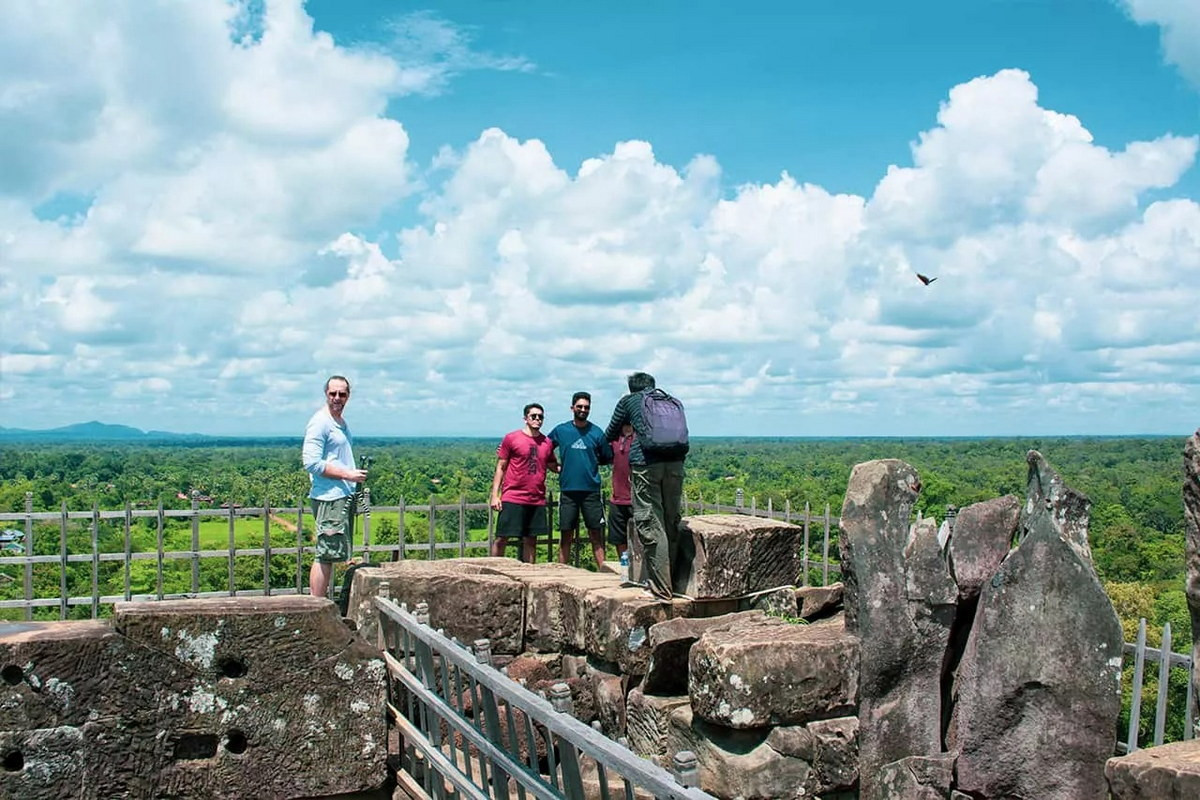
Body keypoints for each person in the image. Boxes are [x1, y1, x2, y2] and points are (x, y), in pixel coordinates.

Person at [604, 372, 688, 600]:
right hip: (676, 464)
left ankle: (661, 588)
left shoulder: (629, 401)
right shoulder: (669, 400)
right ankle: (674, 580)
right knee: (671, 519)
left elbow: (610, 433)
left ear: (631, 387)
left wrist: (630, 426)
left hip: (645, 464)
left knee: (650, 521)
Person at [302, 375, 368, 600]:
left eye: (342, 394)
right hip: (329, 496)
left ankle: (319, 604)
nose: (337, 398)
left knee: (332, 553)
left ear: (348, 396)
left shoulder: (338, 422)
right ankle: (317, 605)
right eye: (333, 393)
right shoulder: (321, 422)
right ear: (326, 394)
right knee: (326, 554)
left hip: (340, 495)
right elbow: (310, 462)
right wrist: (347, 474)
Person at [548, 392, 613, 566]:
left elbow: (607, 456)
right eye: (580, 406)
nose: (583, 410)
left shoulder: (596, 432)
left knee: (596, 535)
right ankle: (562, 572)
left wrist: (591, 461)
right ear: (572, 408)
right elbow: (544, 448)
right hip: (568, 490)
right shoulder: (561, 430)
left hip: (591, 490)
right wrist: (553, 464)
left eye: (586, 407)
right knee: (566, 535)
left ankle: (604, 573)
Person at [490, 403, 558, 563]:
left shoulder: (547, 443)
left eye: (540, 417)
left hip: (536, 498)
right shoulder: (512, 438)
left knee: (531, 541)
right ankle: (493, 570)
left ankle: (529, 575)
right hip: (513, 496)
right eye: (533, 416)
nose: (537, 419)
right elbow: (501, 467)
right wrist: (495, 495)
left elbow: (553, 465)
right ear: (525, 418)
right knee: (501, 538)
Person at [607, 422, 635, 563]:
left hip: (637, 499)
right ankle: (625, 569)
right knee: (619, 540)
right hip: (617, 498)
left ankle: (640, 571)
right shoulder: (613, 439)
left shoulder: (641, 437)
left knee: (641, 539)